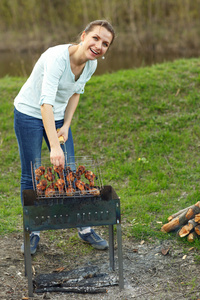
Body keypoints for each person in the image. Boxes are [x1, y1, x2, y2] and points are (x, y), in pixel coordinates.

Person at [14, 20, 115, 255]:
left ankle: (84, 228)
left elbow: (75, 94)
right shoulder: (57, 58)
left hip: (57, 116)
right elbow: (44, 103)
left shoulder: (90, 64)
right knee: (31, 173)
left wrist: (66, 125)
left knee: (69, 170)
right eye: (96, 38)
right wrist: (54, 148)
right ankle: (33, 231)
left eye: (105, 43)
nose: (99, 46)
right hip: (29, 112)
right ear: (83, 36)